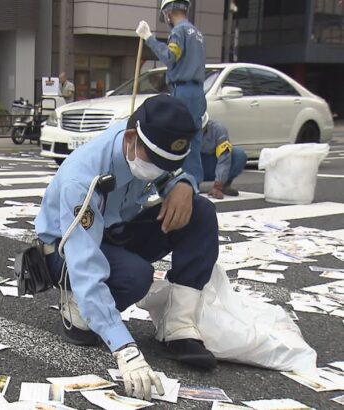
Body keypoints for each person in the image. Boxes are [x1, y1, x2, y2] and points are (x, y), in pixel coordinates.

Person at [34, 94, 219, 400]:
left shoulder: (149, 146)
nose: (159, 170)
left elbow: (171, 170)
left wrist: (182, 185)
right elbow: (85, 262)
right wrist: (123, 347)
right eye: (156, 163)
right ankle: (77, 306)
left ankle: (176, 326)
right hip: (66, 250)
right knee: (136, 276)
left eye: (167, 165)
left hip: (116, 230)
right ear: (131, 139)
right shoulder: (82, 178)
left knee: (199, 212)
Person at [136, 0, 206, 187]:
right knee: (194, 140)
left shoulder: (179, 31)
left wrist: (149, 37)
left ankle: (181, 185)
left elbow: (170, 57)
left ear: (168, 11)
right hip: (198, 92)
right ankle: (194, 185)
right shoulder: (197, 33)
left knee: (179, 139)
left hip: (183, 91)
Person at [200, 113, 248, 199]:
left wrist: (218, 185)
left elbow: (224, 157)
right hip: (195, 166)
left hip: (212, 164)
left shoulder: (218, 129)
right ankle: (190, 185)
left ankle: (225, 184)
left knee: (239, 155)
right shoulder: (184, 129)